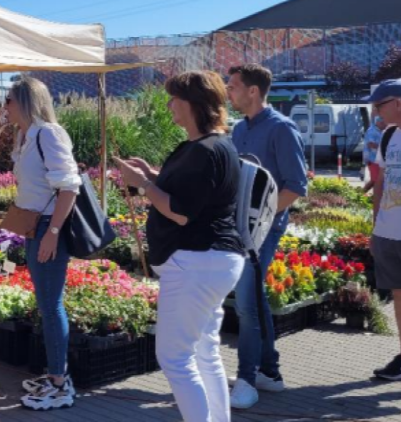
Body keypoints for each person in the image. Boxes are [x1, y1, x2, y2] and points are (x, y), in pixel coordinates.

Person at [116, 71, 245, 422]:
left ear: (191, 104)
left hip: (196, 261)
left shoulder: (205, 150)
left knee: (175, 358)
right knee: (205, 351)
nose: (169, 105)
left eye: (174, 99)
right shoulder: (209, 146)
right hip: (210, 260)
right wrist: (153, 176)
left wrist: (142, 185)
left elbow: (180, 212)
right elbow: (190, 193)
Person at [226, 64, 308, 409]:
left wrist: (259, 222)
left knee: (245, 303)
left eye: (232, 86)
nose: (228, 92)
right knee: (252, 301)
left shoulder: (281, 128)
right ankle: (269, 373)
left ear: (253, 91)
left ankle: (246, 380)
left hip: (262, 232)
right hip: (239, 229)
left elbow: (296, 187)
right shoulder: (238, 129)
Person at [4, 77, 82, 411]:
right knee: (46, 302)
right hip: (36, 224)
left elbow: (70, 187)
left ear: (24, 101)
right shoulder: (25, 136)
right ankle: (54, 375)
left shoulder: (48, 134)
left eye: (8, 99)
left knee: (51, 305)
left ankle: (60, 382)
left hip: (50, 227)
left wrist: (52, 233)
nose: (4, 106)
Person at [368, 79, 401, 381]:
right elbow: (381, 182)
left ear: (399, 102)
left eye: (379, 106)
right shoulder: (389, 136)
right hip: (390, 233)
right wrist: (375, 226)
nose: (377, 113)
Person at [363, 114, 386, 193]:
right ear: (380, 122)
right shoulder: (372, 131)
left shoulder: (381, 131)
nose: (386, 125)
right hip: (372, 159)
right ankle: (360, 194)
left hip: (378, 160)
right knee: (375, 180)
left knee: (377, 180)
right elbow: (370, 144)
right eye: (384, 123)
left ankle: (362, 194)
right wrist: (383, 148)